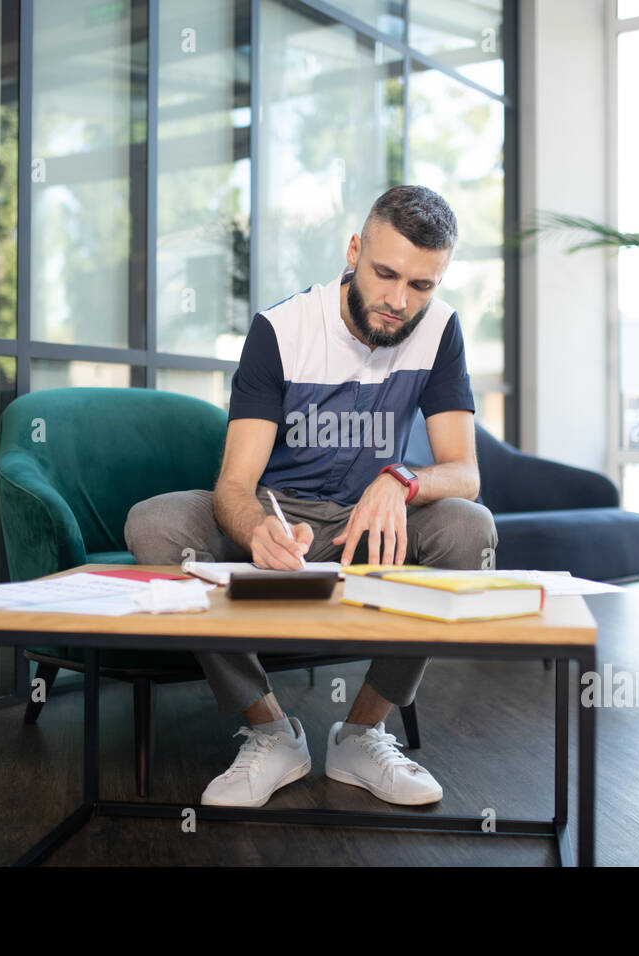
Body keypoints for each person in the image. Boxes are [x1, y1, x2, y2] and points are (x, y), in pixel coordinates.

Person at [124, 184, 496, 809]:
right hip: (281, 514)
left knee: (470, 528)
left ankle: (363, 732)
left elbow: (464, 472)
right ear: (353, 251)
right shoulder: (281, 328)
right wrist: (254, 530)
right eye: (385, 274)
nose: (398, 301)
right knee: (154, 525)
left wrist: (403, 478)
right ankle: (271, 730)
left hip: (371, 525)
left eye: (421, 286)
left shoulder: (440, 330)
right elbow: (234, 488)